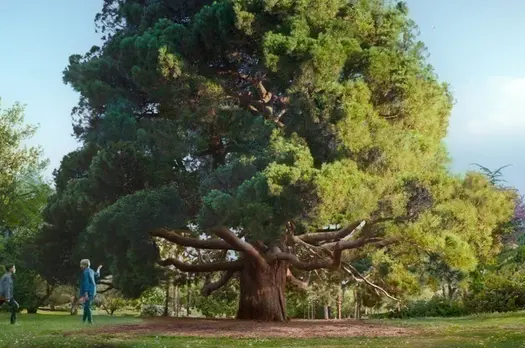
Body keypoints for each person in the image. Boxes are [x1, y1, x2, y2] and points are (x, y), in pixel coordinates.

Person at [79, 259, 102, 324]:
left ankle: (90, 321)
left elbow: (86, 282)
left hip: (88, 291)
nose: (80, 266)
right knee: (86, 305)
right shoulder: (91, 271)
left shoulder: (85, 272)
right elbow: (97, 275)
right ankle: (83, 321)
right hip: (93, 290)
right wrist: (98, 269)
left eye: (81, 265)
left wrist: (86, 293)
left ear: (85, 265)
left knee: (87, 306)